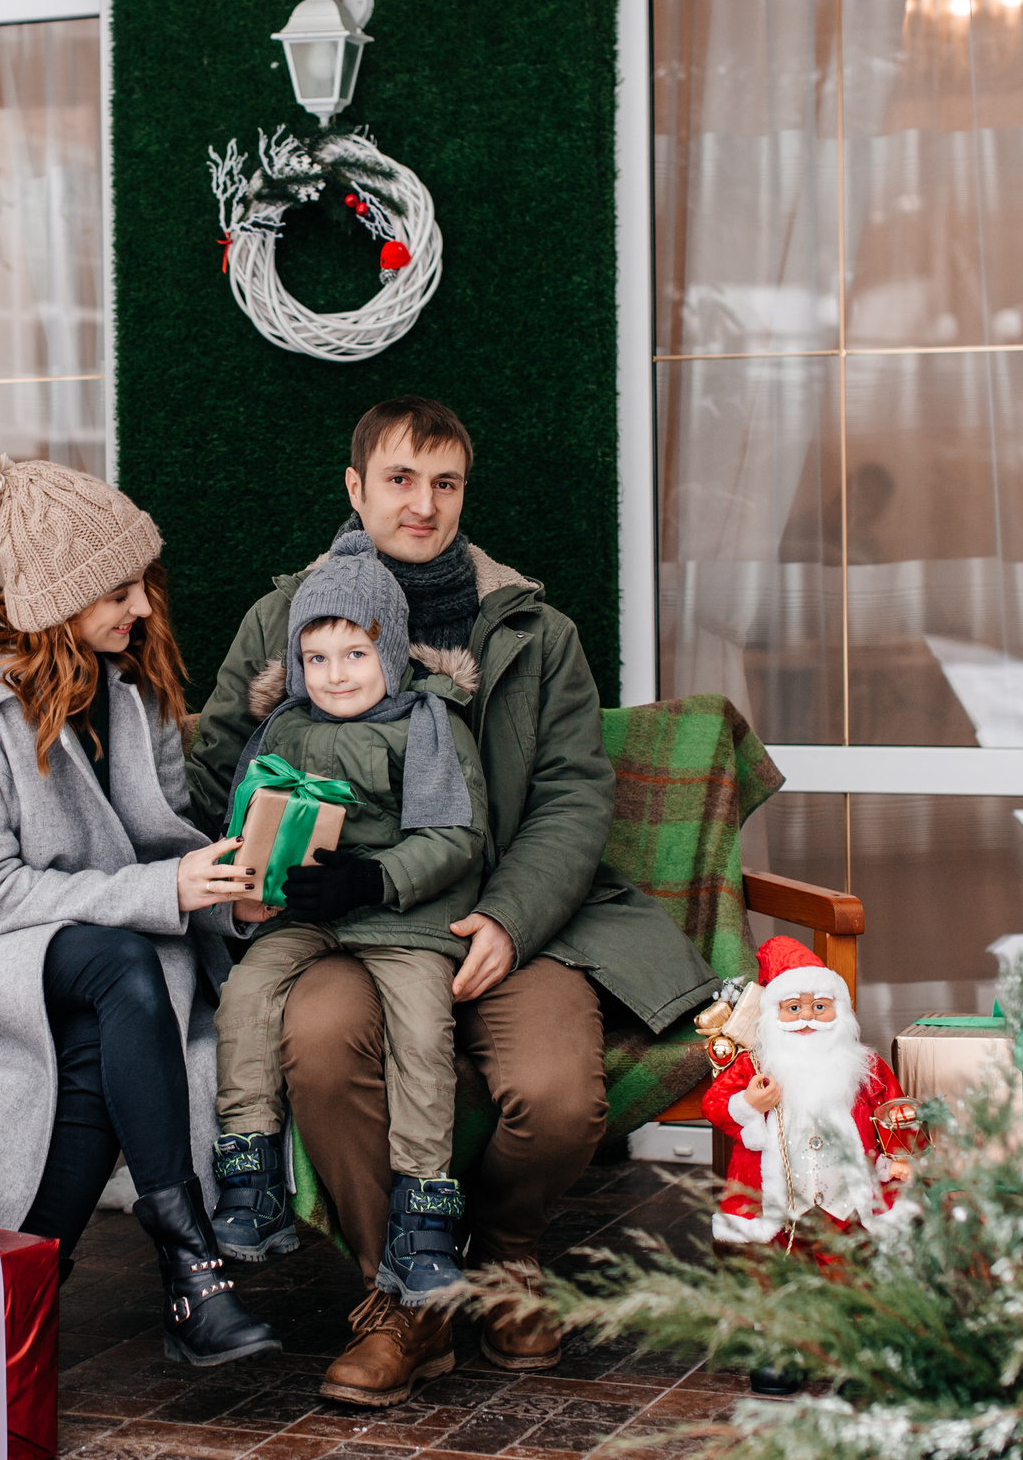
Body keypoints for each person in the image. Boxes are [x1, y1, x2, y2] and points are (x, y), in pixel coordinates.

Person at [189, 396, 719, 1408]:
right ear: (354, 488)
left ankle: (504, 1257)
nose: (422, 505)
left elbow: (572, 796)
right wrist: (270, 871)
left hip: (507, 926)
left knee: (559, 1097)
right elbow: (222, 766)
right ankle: (402, 1298)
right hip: (349, 927)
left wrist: (513, 915)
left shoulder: (532, 628)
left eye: (444, 483)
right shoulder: (284, 617)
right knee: (315, 1042)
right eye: (398, 479)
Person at [0, 448, 279, 1368]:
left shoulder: (131, 692)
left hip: (117, 952)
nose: (141, 609)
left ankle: (25, 1301)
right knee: (122, 966)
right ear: (58, 595)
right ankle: (193, 1263)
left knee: (113, 1020)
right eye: (115, 592)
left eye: (141, 584)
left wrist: (232, 900)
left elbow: (167, 840)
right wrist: (157, 894)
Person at [207, 530, 490, 1308]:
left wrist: (374, 876)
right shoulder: (284, 728)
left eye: (356, 655)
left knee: (422, 1035)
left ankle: (423, 1222)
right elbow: (247, 816)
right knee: (249, 992)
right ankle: (252, 1176)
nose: (336, 676)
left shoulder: (428, 725)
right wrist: (254, 881)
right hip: (307, 910)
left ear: (392, 654)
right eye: (319, 658)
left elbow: (457, 836)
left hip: (404, 918)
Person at [703, 935, 914, 1250]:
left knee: (846, 1264)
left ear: (839, 1011)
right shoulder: (756, 1064)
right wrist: (748, 1104)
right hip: (776, 1201)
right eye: (793, 1007)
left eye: (819, 1006)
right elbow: (714, 1104)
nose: (807, 1017)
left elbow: (895, 1108)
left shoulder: (864, 1064)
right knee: (776, 1268)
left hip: (846, 1201)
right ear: (773, 1014)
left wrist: (899, 1156)